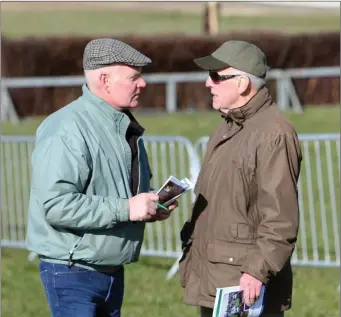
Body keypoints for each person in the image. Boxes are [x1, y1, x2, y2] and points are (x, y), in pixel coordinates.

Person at [25, 38, 177, 317]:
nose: (142, 84)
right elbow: (57, 205)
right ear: (105, 80)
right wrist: (127, 209)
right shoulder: (67, 129)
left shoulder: (122, 125)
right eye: (134, 77)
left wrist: (151, 203)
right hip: (72, 271)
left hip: (110, 269)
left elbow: (117, 189)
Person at [179, 40, 302, 317]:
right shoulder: (226, 126)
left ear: (242, 84)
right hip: (217, 279)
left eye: (216, 76)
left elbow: (280, 218)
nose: (208, 84)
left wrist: (257, 271)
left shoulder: (274, 133)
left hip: (246, 286)